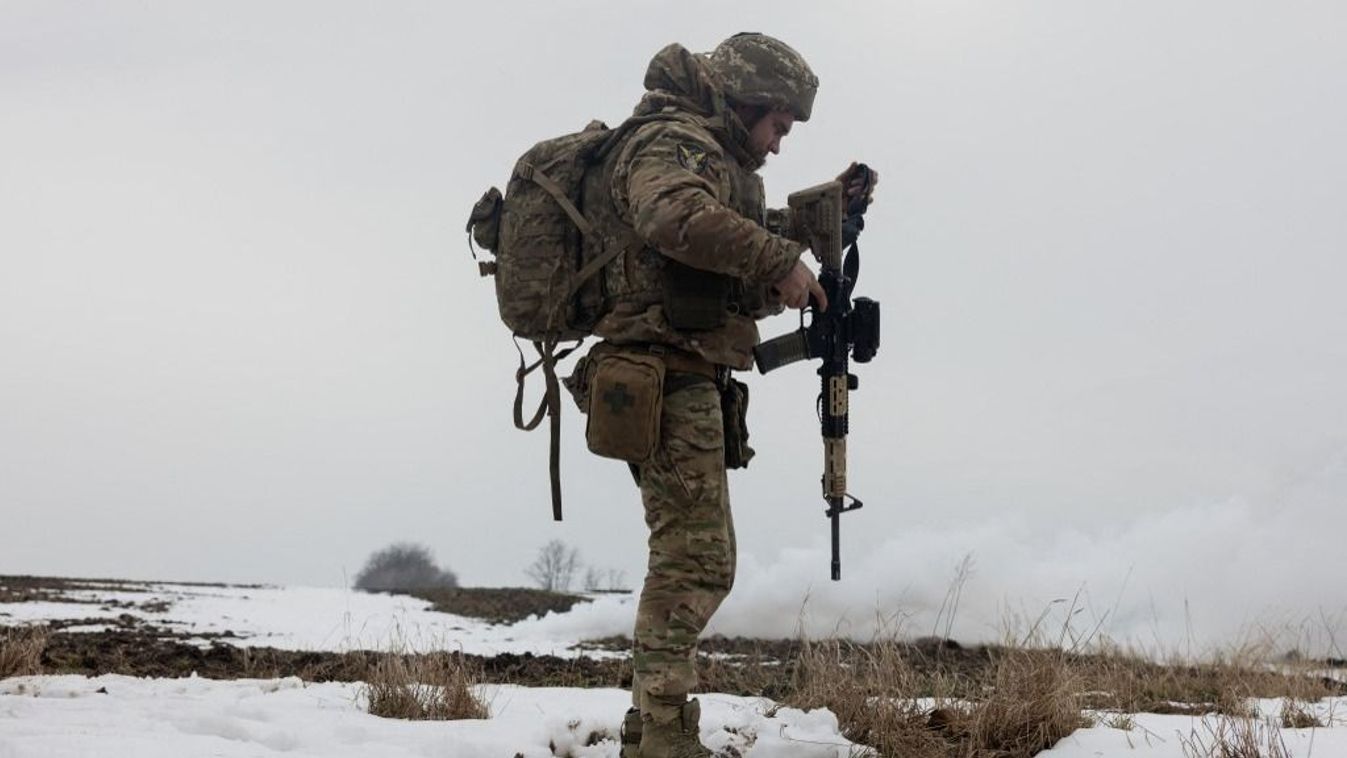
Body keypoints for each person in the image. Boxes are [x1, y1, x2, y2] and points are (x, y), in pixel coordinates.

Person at [575, 33, 876, 757]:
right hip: (662, 375)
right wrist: (778, 260)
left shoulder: (708, 156)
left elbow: (718, 268)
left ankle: (652, 731)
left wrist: (814, 225)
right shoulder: (673, 140)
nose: (778, 143)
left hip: (682, 374)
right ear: (746, 102)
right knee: (695, 563)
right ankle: (663, 739)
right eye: (778, 124)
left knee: (690, 559)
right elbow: (671, 217)